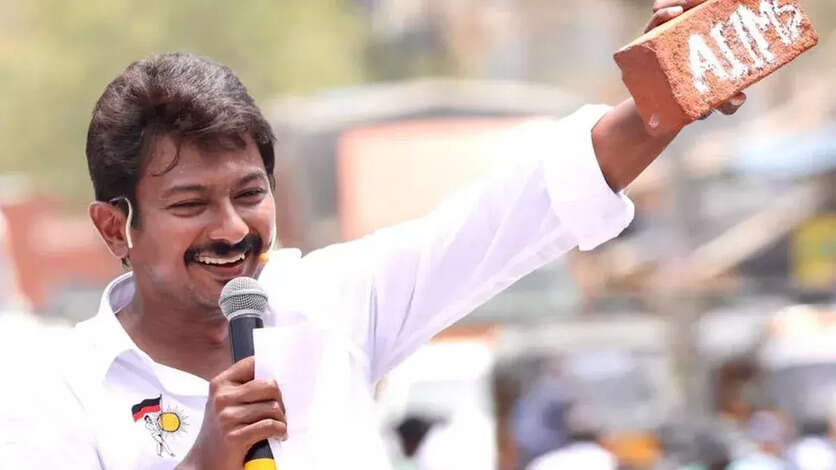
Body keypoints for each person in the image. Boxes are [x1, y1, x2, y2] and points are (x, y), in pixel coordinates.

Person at [0, 1, 746, 468]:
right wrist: (204, 461)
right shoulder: (55, 391)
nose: (231, 229)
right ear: (115, 227)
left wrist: (663, 98)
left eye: (250, 194)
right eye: (191, 204)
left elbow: (514, 213)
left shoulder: (331, 305)